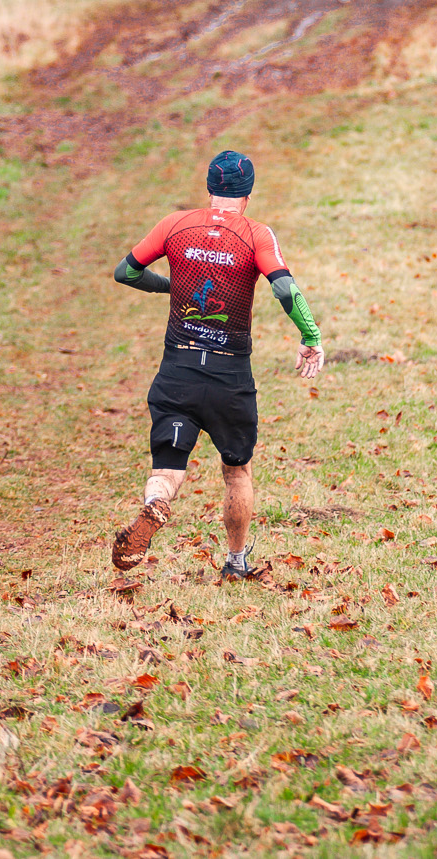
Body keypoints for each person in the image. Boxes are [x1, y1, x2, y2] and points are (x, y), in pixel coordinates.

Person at [109, 150, 324, 582]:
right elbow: (285, 289)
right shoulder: (255, 234)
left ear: (209, 189)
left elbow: (126, 273)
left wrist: (173, 287)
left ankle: (155, 504)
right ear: (248, 194)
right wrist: (311, 336)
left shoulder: (174, 225)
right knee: (236, 471)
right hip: (229, 377)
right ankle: (235, 561)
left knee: (166, 469)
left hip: (178, 371)